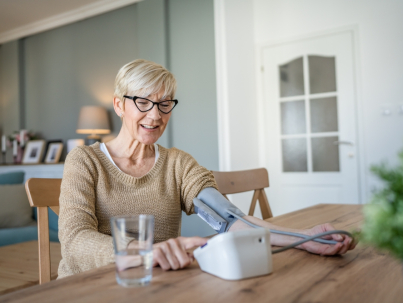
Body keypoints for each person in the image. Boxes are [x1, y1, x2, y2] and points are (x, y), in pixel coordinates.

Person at [58, 59, 356, 278]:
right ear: (119, 105)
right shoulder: (85, 161)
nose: (156, 114)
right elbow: (74, 239)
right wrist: (144, 252)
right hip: (88, 288)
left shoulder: (177, 163)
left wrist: (307, 238)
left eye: (165, 104)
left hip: (154, 285)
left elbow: (230, 220)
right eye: (143, 102)